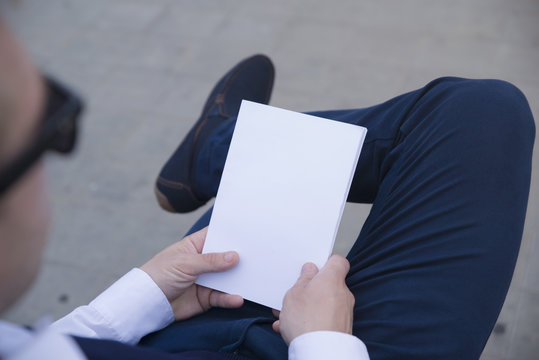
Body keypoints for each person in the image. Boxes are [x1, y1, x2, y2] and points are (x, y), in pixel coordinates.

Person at [0, 17, 535, 360]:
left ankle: (217, 149)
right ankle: (219, 147)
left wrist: (139, 297)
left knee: (478, 112)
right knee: (485, 118)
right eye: (53, 128)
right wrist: (322, 343)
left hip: (166, 331)